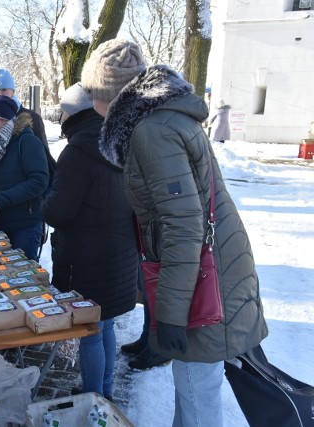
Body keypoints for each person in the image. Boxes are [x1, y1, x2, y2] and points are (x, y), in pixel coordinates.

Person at [81, 38, 268, 426]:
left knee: (197, 394)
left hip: (204, 284)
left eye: (91, 92)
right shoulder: (161, 120)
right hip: (210, 275)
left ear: (109, 94)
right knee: (195, 388)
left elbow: (183, 228)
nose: (88, 102)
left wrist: (169, 314)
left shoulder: (153, 132)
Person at [42, 82, 138, 401]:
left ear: (74, 114)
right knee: (104, 325)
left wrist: (45, 200)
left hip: (88, 259)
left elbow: (58, 212)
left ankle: (93, 396)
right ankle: (104, 392)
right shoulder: (120, 142)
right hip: (118, 254)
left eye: (64, 113)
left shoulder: (77, 151)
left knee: (90, 331)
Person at [0, 95, 49, 261]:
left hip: (24, 226)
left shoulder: (27, 142)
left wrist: (2, 199)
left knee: (24, 278)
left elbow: (39, 181)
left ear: (6, 120)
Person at [0, 68, 57, 183]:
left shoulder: (31, 117)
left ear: (12, 91)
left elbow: (43, 156)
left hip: (25, 187)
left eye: (4, 89)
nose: (0, 94)